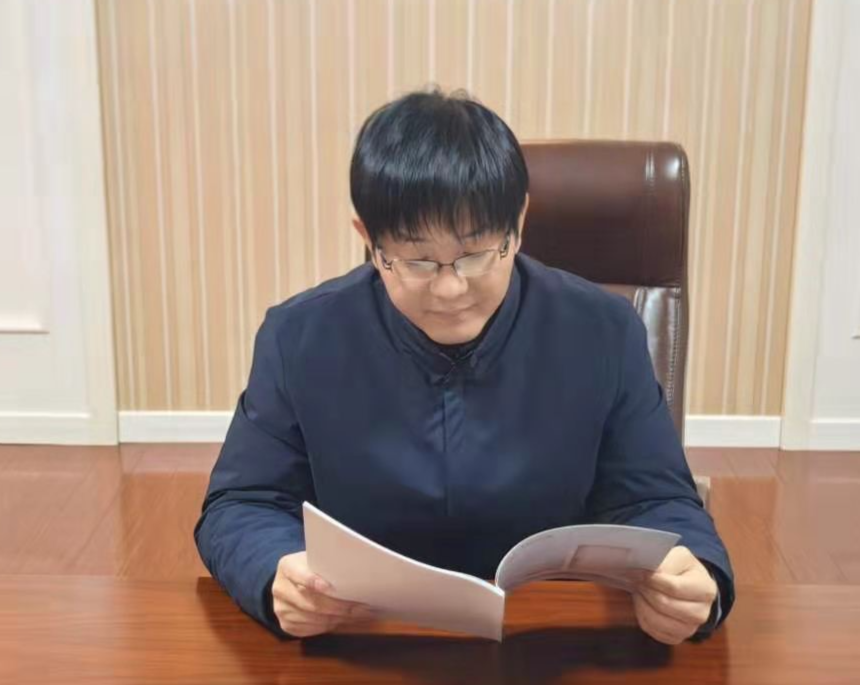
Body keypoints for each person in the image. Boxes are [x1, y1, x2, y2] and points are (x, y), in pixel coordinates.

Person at [195, 88, 734, 646]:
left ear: (518, 222)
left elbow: (656, 498)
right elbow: (243, 502)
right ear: (369, 240)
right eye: (417, 261)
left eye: (476, 255)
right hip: (366, 635)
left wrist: (695, 574)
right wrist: (276, 571)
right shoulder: (300, 337)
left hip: (548, 636)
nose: (451, 289)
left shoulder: (604, 331)